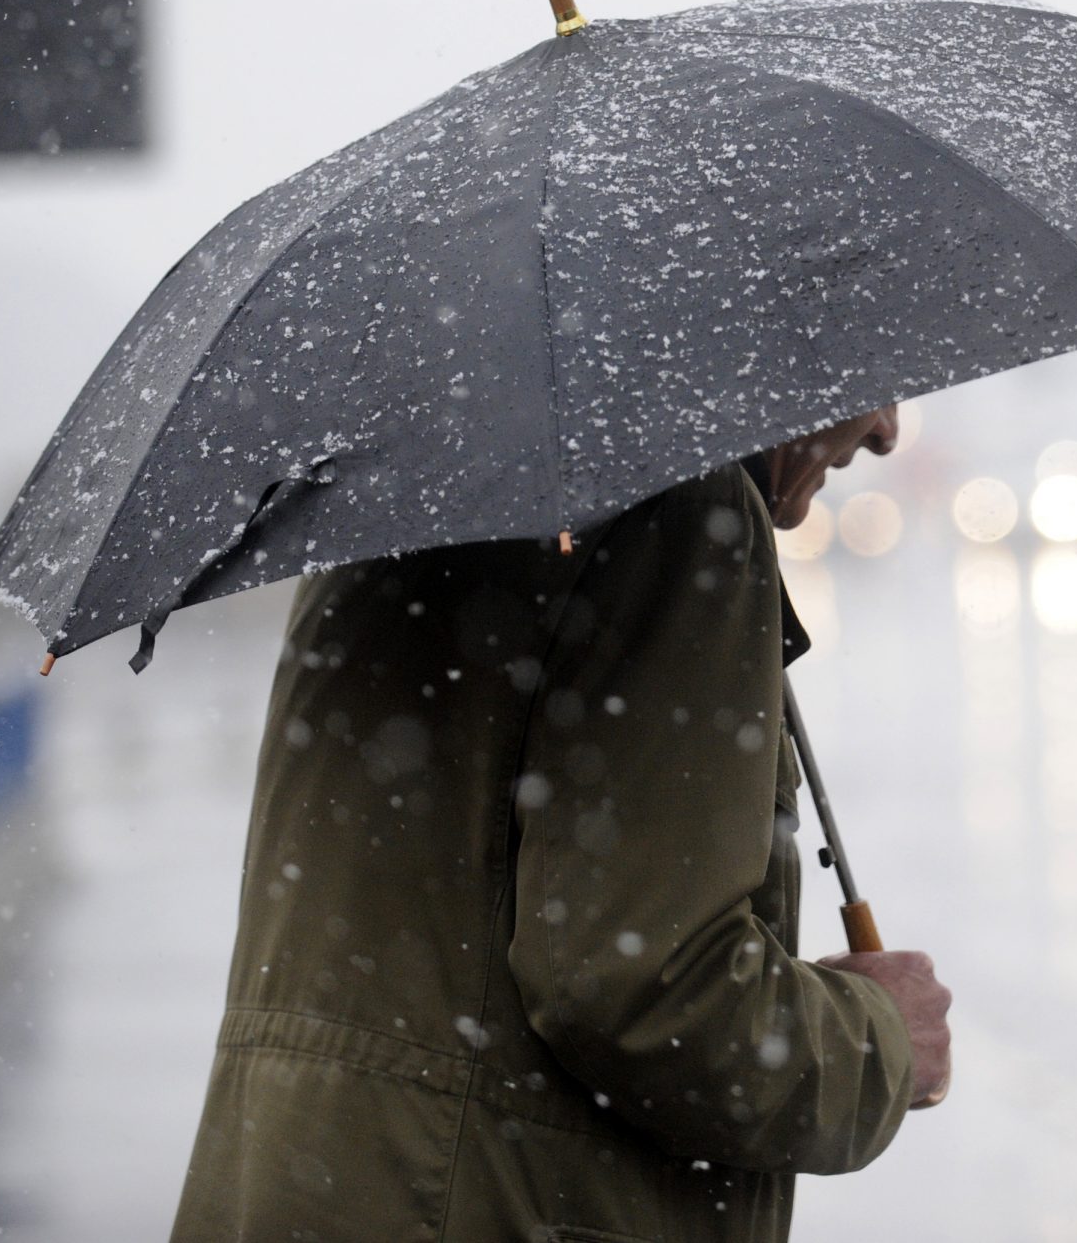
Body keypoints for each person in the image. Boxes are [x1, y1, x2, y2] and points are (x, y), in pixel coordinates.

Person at [173, 405, 952, 1242]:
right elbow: (643, 989)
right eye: (875, 385)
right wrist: (878, 1038)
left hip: (297, 1187)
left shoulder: (410, 493)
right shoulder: (676, 507)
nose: (886, 431)